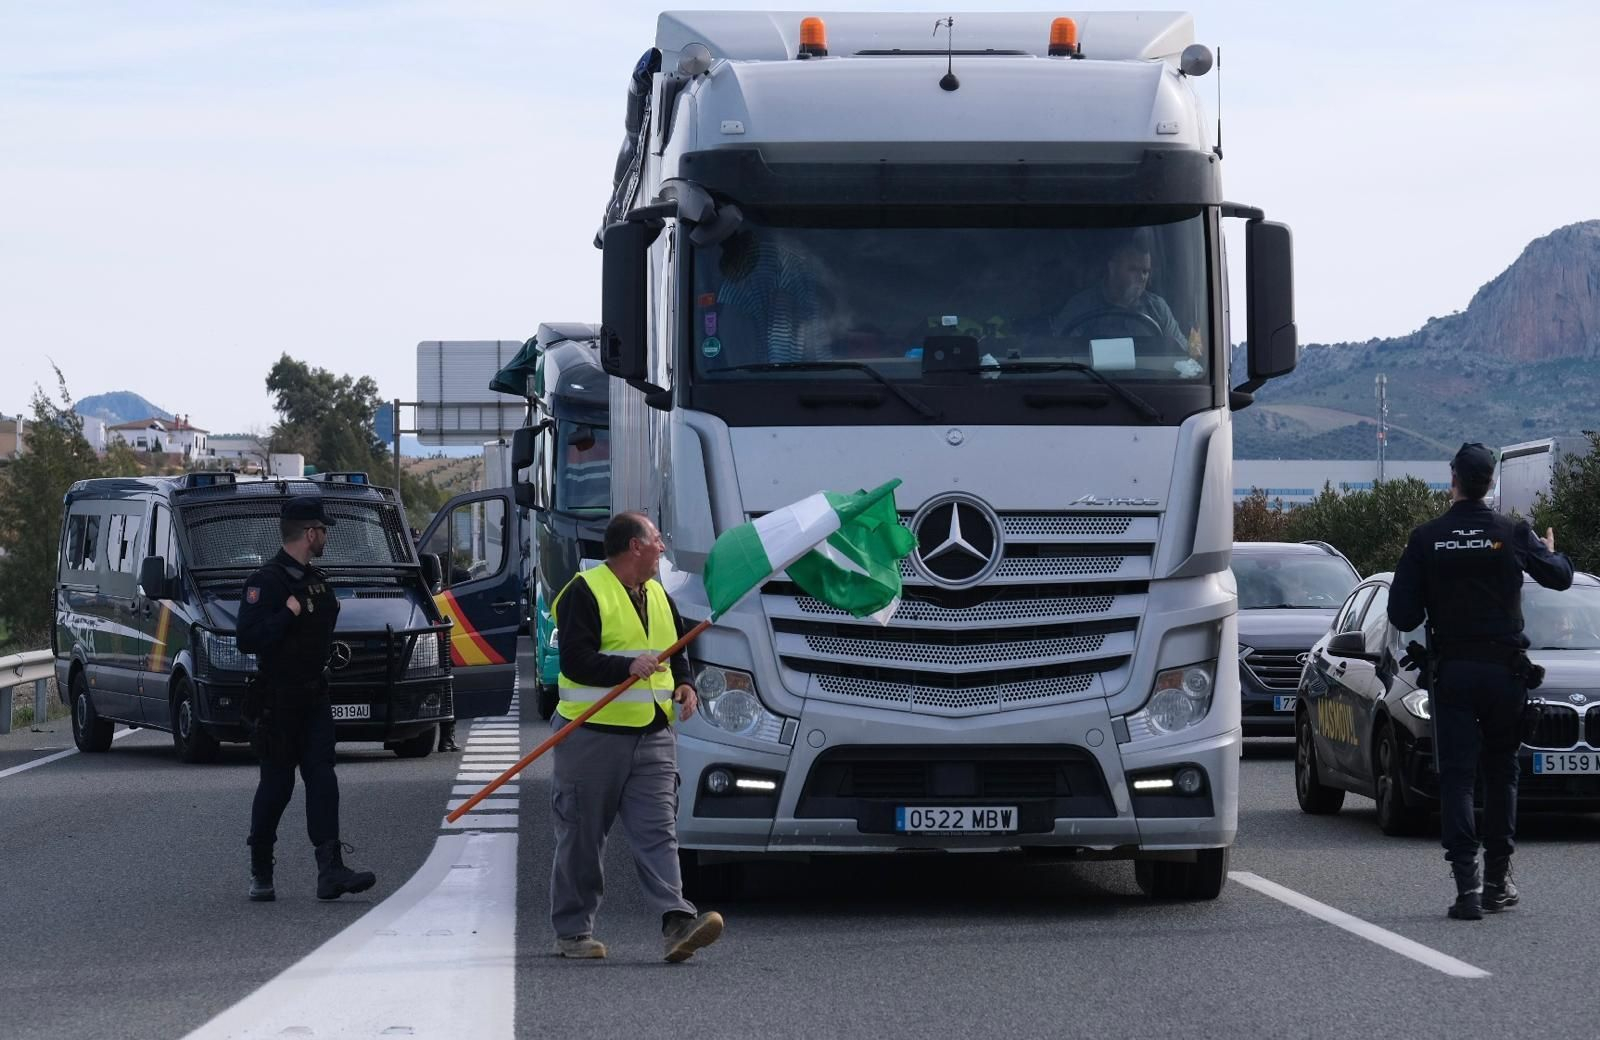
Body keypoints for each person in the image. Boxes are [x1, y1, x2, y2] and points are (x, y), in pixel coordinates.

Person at [1388, 443, 1573, 921]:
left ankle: (1466, 889)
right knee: (1501, 773)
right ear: (1490, 482)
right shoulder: (1512, 532)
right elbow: (1560, 578)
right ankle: (1497, 882)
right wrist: (1549, 553)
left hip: (1451, 673)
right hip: (1504, 674)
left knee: (1456, 778)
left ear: (1453, 478)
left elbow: (1402, 613)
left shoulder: (1426, 538)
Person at [548, 512, 724, 962]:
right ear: (634, 547)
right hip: (592, 734)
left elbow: (675, 649)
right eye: (656, 540)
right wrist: (623, 667)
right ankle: (573, 931)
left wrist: (685, 683)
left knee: (659, 833)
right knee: (583, 837)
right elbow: (574, 662)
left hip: (653, 734)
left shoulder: (659, 594)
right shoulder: (585, 592)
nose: (662, 547)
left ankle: (677, 922)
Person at [237, 496, 378, 903]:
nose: (326, 537)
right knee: (277, 786)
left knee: (323, 778)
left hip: (314, 696)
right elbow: (248, 639)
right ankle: (261, 868)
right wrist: (288, 613)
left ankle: (329, 870)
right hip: (277, 700)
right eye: (323, 530)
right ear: (309, 533)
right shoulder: (266, 582)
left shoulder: (316, 579)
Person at [1050, 233, 1192, 358]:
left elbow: (1182, 352)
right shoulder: (1081, 306)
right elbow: (1059, 352)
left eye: (1145, 271)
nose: (1142, 277)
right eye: (1133, 269)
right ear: (1112, 268)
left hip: (1149, 382)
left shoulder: (1158, 308)